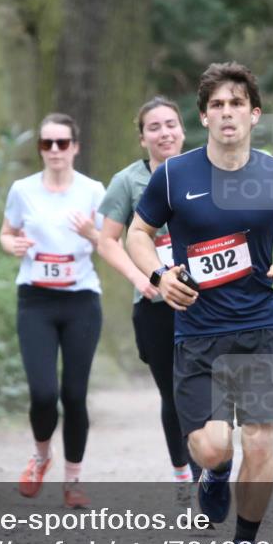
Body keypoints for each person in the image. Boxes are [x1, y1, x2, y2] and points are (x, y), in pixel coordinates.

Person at [126, 62, 273, 544]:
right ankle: (215, 471)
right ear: (204, 117)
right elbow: (137, 233)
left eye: (237, 104)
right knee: (213, 446)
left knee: (260, 441)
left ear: (254, 114)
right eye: (217, 105)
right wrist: (159, 274)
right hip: (197, 332)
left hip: (261, 327)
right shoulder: (174, 176)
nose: (227, 113)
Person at [96, 96, 202, 504]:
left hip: (204, 302)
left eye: (171, 124)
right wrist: (140, 277)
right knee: (173, 395)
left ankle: (206, 473)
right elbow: (108, 240)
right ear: (143, 139)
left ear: (182, 130)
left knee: (203, 390)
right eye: (154, 127)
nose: (164, 133)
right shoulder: (127, 181)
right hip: (156, 306)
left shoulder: (204, 172)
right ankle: (184, 474)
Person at [0, 113, 105, 509]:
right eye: (48, 143)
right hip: (36, 300)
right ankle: (42, 456)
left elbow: (111, 240)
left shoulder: (93, 191)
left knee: (74, 395)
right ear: (40, 149)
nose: (55, 150)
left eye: (63, 142)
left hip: (81, 300)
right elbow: (6, 233)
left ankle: (73, 482)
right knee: (44, 393)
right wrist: (12, 245)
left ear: (75, 147)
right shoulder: (23, 190)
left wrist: (92, 233)